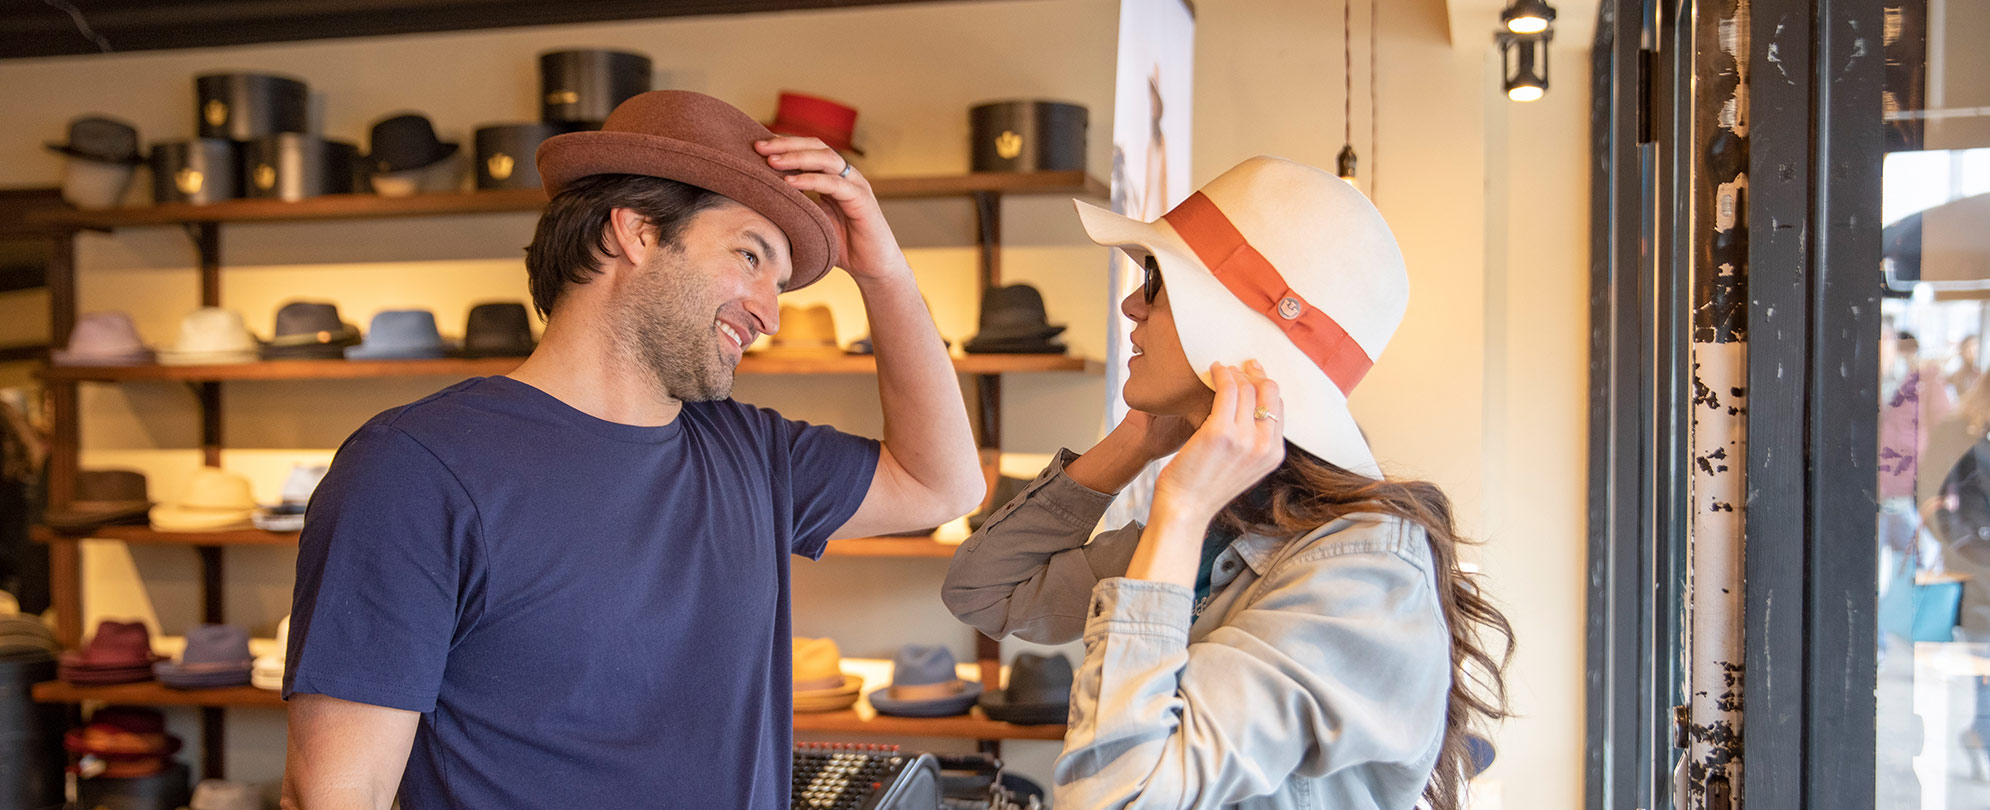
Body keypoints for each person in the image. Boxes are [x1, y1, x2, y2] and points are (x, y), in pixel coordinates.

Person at [279, 91, 984, 808]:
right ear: (637, 232)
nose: (770, 313)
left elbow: (943, 487)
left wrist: (885, 273)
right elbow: (338, 793)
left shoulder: (752, 452)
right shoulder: (414, 468)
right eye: (750, 256)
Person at [943, 156, 1513, 809]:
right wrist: (1136, 440)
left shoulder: (1360, 568)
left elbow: (1116, 798)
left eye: (1156, 281)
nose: (1132, 302)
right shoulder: (1238, 524)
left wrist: (1179, 509)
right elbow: (984, 592)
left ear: (1233, 327)